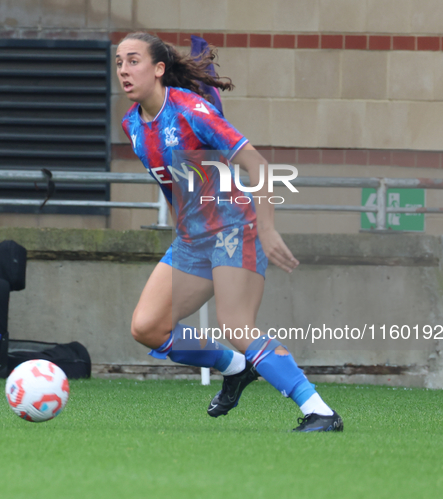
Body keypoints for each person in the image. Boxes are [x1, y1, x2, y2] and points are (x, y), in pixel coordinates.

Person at [116, 32, 343, 432]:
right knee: (147, 327)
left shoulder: (191, 110)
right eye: (119, 63)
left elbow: (258, 166)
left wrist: (267, 227)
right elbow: (173, 184)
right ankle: (235, 368)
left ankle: (319, 411)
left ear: (158, 69)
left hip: (234, 230)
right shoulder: (132, 125)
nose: (123, 70)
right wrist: (182, 227)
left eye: (133, 61)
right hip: (192, 241)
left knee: (236, 326)